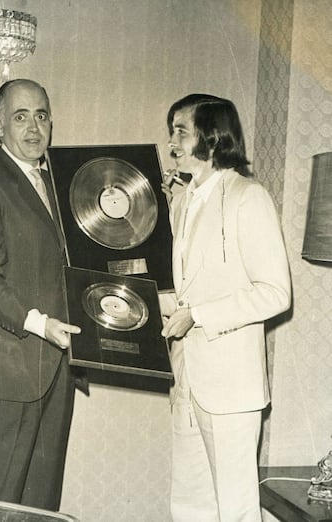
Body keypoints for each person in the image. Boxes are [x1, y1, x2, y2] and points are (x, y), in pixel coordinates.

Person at [0, 79, 86, 511]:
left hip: (59, 365)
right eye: (20, 116)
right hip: (6, 364)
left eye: (41, 115)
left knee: (41, 500)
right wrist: (40, 324)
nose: (33, 127)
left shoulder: (62, 188)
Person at [160, 94, 291, 522]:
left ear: (212, 137)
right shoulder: (185, 200)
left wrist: (198, 315)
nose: (172, 142)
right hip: (188, 380)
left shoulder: (248, 197)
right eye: (172, 132)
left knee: (234, 511)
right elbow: (190, 283)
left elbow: (275, 293)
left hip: (232, 389)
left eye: (181, 130)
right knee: (190, 506)